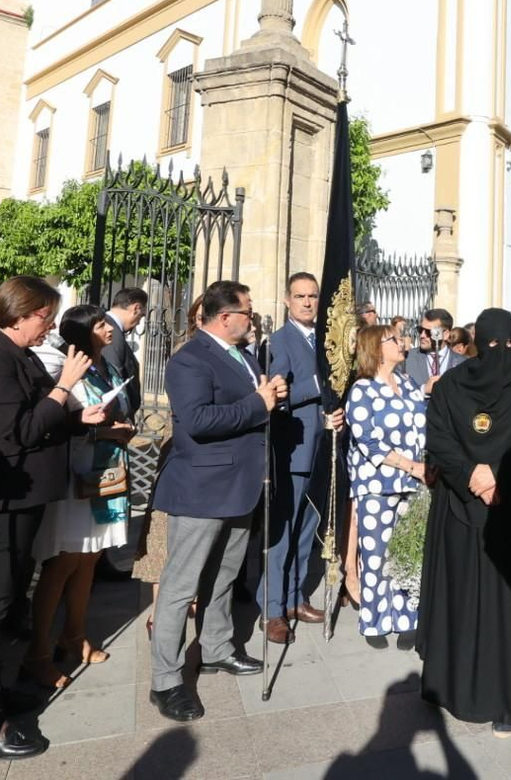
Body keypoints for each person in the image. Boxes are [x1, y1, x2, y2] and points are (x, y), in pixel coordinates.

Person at [0, 276, 104, 761]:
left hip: (28, 498)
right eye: (46, 317)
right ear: (20, 314)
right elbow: (16, 432)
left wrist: (76, 418)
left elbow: (43, 417)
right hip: (3, 500)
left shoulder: (21, 355)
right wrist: (64, 388)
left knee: (11, 599)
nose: (51, 326)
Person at [147, 280, 286, 723]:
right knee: (180, 587)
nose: (253, 317)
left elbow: (250, 402)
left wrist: (270, 396)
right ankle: (165, 680)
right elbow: (199, 421)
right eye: (248, 311)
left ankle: (216, 647)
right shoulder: (189, 359)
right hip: (202, 489)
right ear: (225, 317)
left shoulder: (243, 355)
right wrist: (259, 403)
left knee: (224, 576)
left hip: (240, 485)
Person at [419, 308, 511, 735]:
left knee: (507, 605)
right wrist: (472, 473)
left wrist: (496, 474)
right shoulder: (452, 385)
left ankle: (506, 699)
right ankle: (448, 686)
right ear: (476, 345)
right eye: (492, 345)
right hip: (460, 503)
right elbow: (438, 438)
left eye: (507, 345)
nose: (500, 353)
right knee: (458, 596)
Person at [24, 305, 137, 688]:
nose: (108, 329)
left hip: (107, 471)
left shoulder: (108, 366)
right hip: (77, 474)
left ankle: (74, 634)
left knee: (90, 556)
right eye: (100, 324)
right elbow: (59, 421)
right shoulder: (65, 367)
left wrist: (121, 426)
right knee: (64, 561)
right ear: (83, 331)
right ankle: (38, 651)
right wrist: (103, 431)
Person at [257, 273, 345, 645]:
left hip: (322, 449)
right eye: (300, 296)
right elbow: (276, 395)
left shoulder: (325, 340)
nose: (307, 303)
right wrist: (319, 385)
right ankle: (272, 609)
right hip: (293, 451)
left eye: (312, 296)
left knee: (307, 532)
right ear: (287, 300)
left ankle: (295, 598)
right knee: (282, 535)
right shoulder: (279, 341)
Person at [346, 323, 428, 643]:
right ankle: (375, 620)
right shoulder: (362, 390)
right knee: (376, 555)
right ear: (376, 350)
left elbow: (423, 424)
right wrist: (410, 465)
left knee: (407, 552)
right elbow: (367, 441)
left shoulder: (407, 383)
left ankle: (406, 618)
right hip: (377, 484)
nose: (402, 342)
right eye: (394, 339)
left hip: (413, 483)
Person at [133, 297, 203, 634]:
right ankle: (159, 612)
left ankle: (195, 601)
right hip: (179, 444)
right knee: (163, 528)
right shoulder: (184, 352)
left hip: (206, 454)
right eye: (200, 316)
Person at [104, 286, 147, 419]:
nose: (139, 322)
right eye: (141, 315)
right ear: (136, 308)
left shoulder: (111, 328)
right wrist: (123, 418)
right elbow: (114, 380)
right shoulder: (111, 333)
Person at [405, 308, 464, 400]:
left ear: (445, 335)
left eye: (429, 332)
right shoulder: (407, 358)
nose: (422, 335)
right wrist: (423, 390)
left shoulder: (463, 363)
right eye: (420, 330)